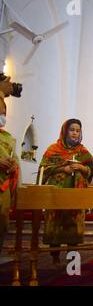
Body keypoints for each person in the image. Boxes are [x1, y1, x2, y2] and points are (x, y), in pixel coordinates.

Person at [39, 119, 93, 266]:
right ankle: (54, 257)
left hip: (75, 197)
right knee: (56, 226)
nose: (75, 133)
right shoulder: (53, 149)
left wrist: (83, 168)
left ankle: (73, 262)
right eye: (72, 130)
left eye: (78, 130)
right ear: (65, 131)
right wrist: (62, 169)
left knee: (74, 229)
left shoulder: (82, 151)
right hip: (56, 195)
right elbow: (43, 169)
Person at [0, 91, 19, 254]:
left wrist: (14, 165)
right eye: (1, 111)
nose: (3, 115)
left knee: (3, 223)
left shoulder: (8, 137)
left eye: (4, 112)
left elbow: (15, 158)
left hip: (3, 187)